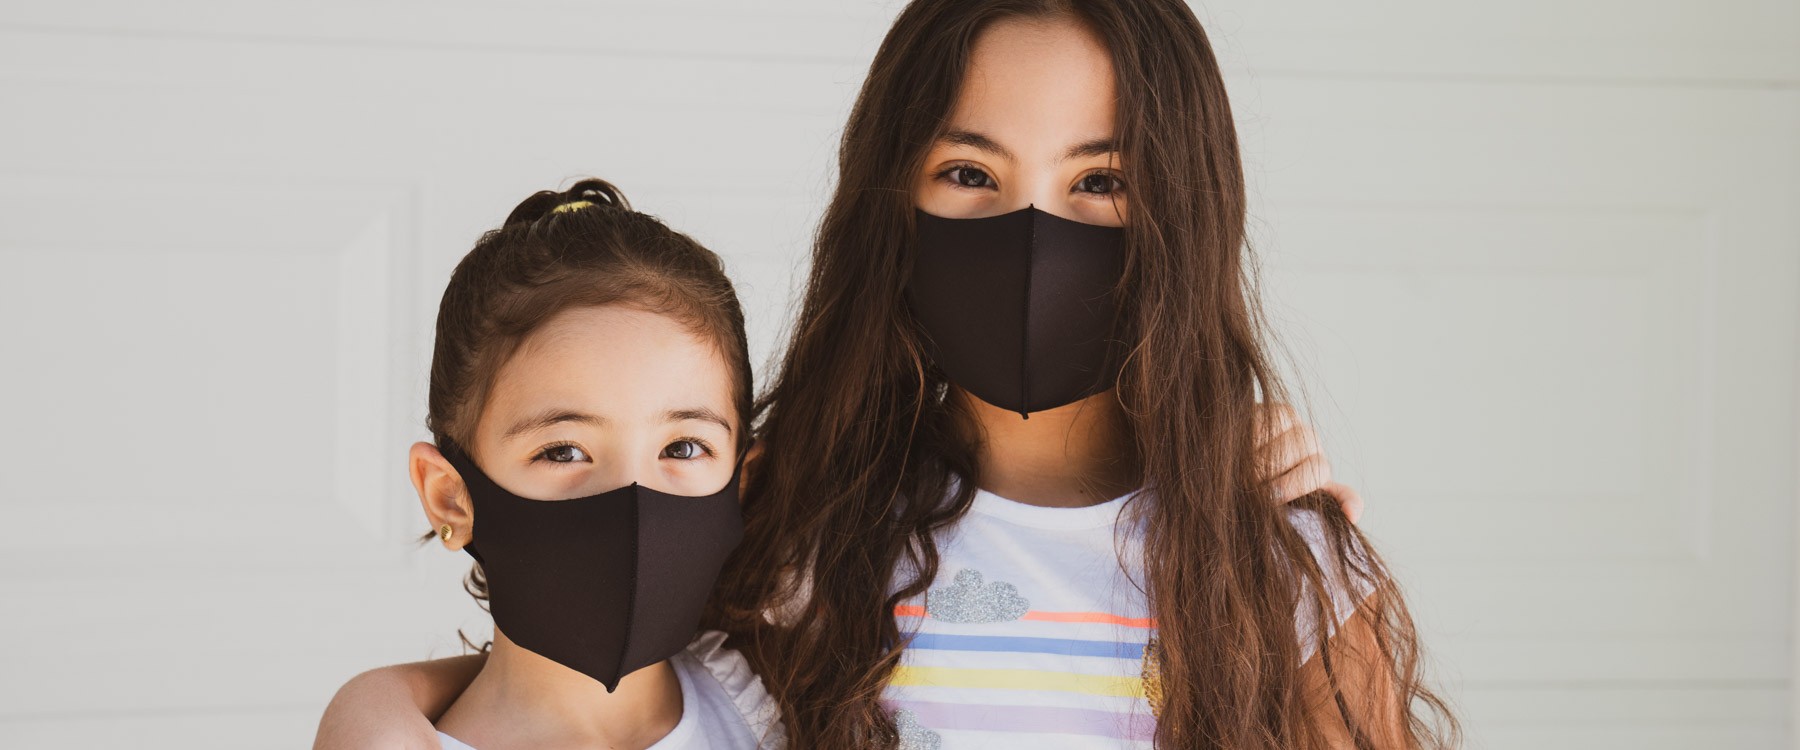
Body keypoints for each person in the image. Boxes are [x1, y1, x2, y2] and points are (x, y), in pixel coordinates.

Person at [317, 1, 1456, 747]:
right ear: (892, 202)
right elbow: (573, 678)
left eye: (1101, 181)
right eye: (969, 171)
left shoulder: (1275, 566)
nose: (1029, 233)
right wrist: (380, 710)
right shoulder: (800, 532)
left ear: (1183, 213)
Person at [369, 178, 783, 749]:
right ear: (449, 497)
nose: (634, 496)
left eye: (683, 448)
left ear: (743, 483)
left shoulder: (780, 707)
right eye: (563, 451)